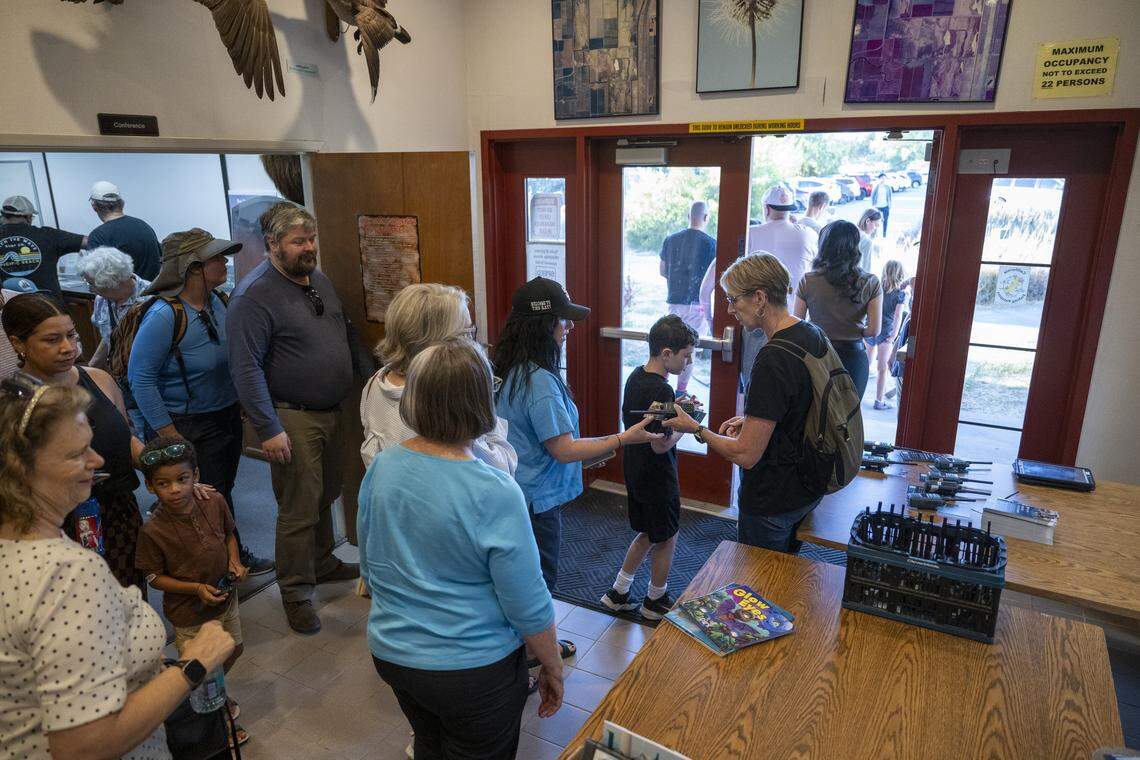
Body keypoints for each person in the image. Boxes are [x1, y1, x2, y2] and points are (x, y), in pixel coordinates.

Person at [0, 376, 235, 758]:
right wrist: (196, 663)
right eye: (78, 454)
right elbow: (85, 746)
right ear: (20, 470)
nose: (97, 460)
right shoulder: (65, 574)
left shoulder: (19, 544)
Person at [361, 338, 564, 759]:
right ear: (482, 401)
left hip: (395, 656)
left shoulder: (383, 466)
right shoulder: (494, 490)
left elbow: (372, 564)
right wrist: (552, 664)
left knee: (430, 746)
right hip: (472, 671)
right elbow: (527, 602)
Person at [492, 277, 660, 659]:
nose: (568, 328)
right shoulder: (539, 382)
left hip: (510, 492)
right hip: (536, 504)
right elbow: (564, 449)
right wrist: (623, 439)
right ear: (541, 325)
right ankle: (535, 654)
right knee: (538, 583)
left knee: (516, 580)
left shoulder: (505, 368)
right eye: (562, 320)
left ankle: (527, 647)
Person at [228, 202, 360, 634]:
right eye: (298, 241)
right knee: (298, 508)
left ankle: (321, 563)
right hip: (291, 415)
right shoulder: (253, 295)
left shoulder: (316, 279)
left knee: (325, 495)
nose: (309, 248)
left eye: (311, 238)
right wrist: (268, 428)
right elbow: (245, 368)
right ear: (272, 245)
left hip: (332, 411)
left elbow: (343, 332)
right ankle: (296, 593)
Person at [661, 254, 840, 552]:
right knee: (785, 581)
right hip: (807, 485)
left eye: (733, 299)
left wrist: (695, 428)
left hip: (773, 499)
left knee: (760, 589)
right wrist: (756, 420)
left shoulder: (773, 358)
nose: (730, 309)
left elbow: (746, 454)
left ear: (759, 298)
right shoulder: (810, 333)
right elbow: (802, 407)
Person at [128, 228, 273, 576]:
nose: (225, 262)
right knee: (201, 496)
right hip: (185, 423)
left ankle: (229, 557)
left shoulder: (219, 302)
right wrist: (168, 433)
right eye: (216, 258)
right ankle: (209, 569)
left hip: (223, 417)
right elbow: (140, 379)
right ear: (193, 267)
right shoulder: (164, 316)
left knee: (220, 490)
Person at [2, 292, 149, 590]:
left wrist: (161, 464)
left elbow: (124, 437)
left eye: (71, 335)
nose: (68, 347)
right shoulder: (12, 404)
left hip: (118, 512)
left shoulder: (99, 379)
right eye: (52, 340)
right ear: (18, 343)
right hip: (55, 524)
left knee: (128, 598)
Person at [134, 436, 250, 747]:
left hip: (226, 601)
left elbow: (228, 535)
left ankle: (209, 692)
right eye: (163, 483)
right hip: (189, 613)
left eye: (182, 479)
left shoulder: (214, 501)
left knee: (233, 648)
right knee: (200, 669)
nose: (174, 490)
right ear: (149, 487)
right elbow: (154, 576)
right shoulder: (153, 530)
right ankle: (212, 718)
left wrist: (234, 562)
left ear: (196, 476)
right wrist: (195, 588)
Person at [360, 282, 516, 473]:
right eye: (466, 334)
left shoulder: (376, 381)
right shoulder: (436, 405)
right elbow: (502, 468)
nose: (471, 343)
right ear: (438, 343)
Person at [601, 314, 698, 620]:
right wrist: (691, 421)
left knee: (647, 532)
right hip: (658, 475)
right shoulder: (663, 391)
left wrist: (677, 407)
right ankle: (655, 600)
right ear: (667, 353)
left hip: (635, 469)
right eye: (686, 356)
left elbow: (648, 419)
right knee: (667, 536)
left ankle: (618, 591)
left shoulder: (635, 376)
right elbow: (661, 443)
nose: (689, 362)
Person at [741, 184, 818, 394]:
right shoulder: (808, 235)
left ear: (766, 208)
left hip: (758, 321)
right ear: (791, 209)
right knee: (788, 388)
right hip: (794, 322)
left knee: (754, 385)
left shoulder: (751, 234)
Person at [793, 221, 883, 399]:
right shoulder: (871, 282)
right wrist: (854, 329)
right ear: (855, 247)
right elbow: (874, 331)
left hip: (817, 354)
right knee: (848, 419)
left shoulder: (808, 280)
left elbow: (798, 324)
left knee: (814, 417)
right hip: (853, 357)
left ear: (824, 246)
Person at [659, 201, 716, 393]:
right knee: (688, 350)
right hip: (697, 303)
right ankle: (681, 391)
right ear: (706, 217)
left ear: (688, 216)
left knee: (670, 344)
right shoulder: (711, 244)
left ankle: (661, 386)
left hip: (674, 301)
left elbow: (663, 270)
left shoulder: (670, 239)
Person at [75, 246, 150, 369]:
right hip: (119, 373)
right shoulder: (102, 299)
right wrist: (91, 369)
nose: (91, 289)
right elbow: (108, 337)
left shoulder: (152, 299)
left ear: (111, 283)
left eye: (92, 284)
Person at [0, 195, 86, 298]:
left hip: (10, 308)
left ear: (3, 216)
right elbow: (90, 242)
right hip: (49, 307)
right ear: (28, 217)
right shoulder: (49, 235)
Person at [87, 181, 162, 279]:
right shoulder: (144, 226)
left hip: (121, 294)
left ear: (94, 206)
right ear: (121, 203)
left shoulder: (98, 236)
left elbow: (97, 278)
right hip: (152, 292)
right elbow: (159, 261)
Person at [865, 260, 908, 410]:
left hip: (871, 327)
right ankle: (879, 401)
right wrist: (894, 335)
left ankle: (856, 395)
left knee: (866, 364)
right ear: (899, 274)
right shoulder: (900, 295)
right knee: (882, 369)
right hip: (887, 332)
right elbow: (897, 316)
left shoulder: (876, 288)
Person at [857, 207, 883, 273]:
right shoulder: (867, 241)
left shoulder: (853, 231)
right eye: (876, 225)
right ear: (868, 221)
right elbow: (867, 269)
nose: (876, 229)